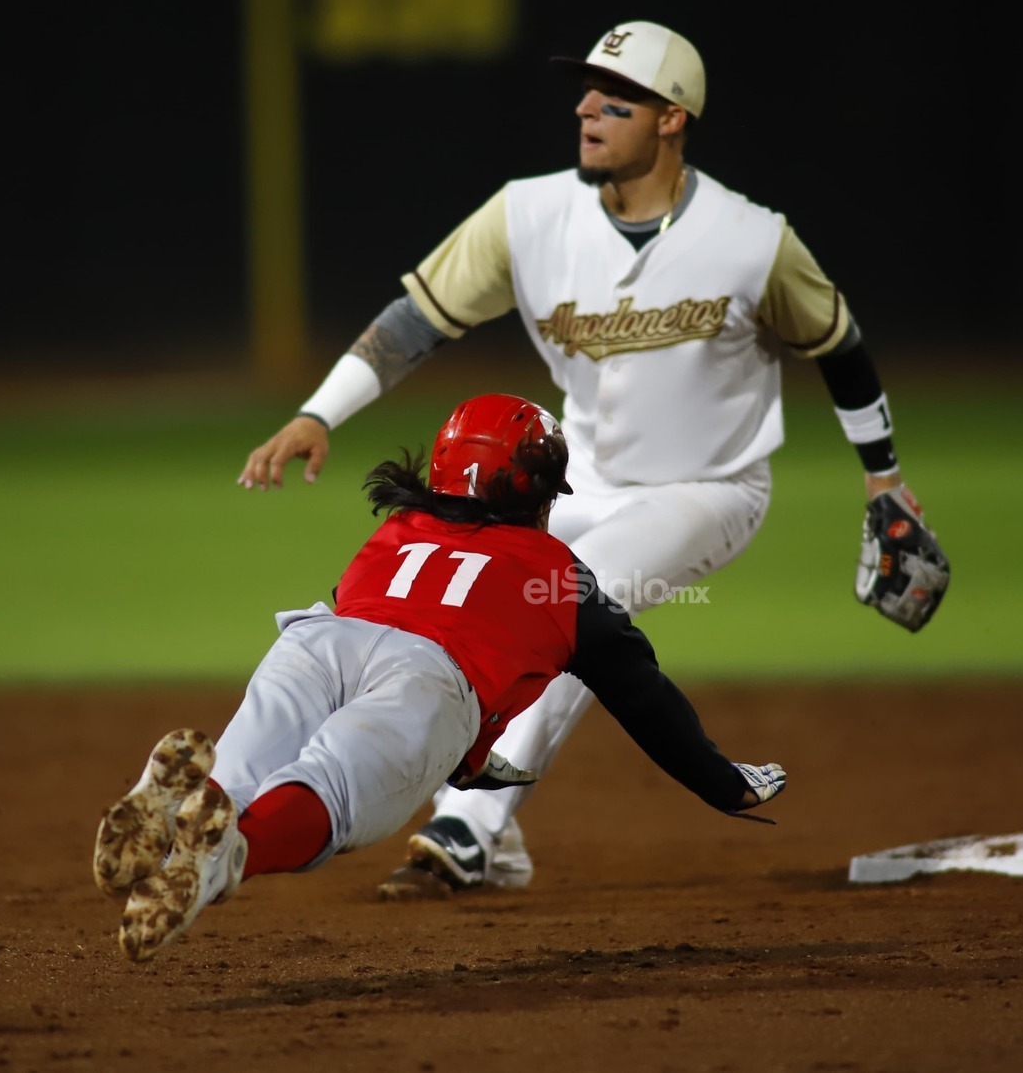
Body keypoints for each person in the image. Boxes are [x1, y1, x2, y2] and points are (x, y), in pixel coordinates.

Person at [237, 21, 946, 899]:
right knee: (456, 592)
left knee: (565, 598)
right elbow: (417, 319)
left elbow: (838, 343)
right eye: (586, 93)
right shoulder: (528, 215)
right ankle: (477, 828)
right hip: (573, 488)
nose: (587, 110)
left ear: (673, 119)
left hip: (708, 488)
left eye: (617, 100)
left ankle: (469, 825)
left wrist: (884, 477)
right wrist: (320, 411)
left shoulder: (751, 240)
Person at [97, 394, 788, 960]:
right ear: (539, 491)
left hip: (318, 639)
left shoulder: (395, 530)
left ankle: (173, 814)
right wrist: (720, 782)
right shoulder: (560, 578)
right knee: (329, 790)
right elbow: (644, 698)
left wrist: (471, 756)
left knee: (241, 775)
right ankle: (224, 858)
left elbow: (385, 618)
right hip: (428, 678)